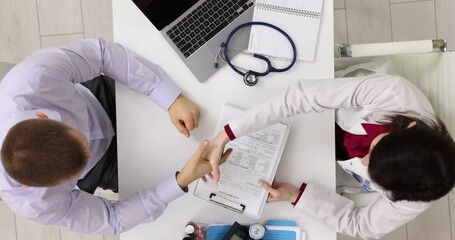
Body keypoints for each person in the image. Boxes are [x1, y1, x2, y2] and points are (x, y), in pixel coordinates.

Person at [0, 38, 231, 235]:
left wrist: (170, 97)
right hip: (103, 167)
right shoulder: (34, 203)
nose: (89, 149)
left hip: (101, 99)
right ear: (30, 186)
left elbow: (102, 54)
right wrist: (180, 181)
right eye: (81, 161)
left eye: (80, 139)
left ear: (43, 116)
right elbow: (112, 221)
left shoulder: (32, 79)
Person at [205, 60, 455, 239]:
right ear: (408, 127)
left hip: (329, 160)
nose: (365, 161)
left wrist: (296, 196)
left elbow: (362, 225)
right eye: (373, 151)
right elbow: (301, 98)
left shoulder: (412, 197)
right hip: (328, 111)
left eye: (372, 166)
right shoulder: (395, 95)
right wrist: (226, 135)